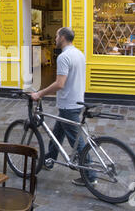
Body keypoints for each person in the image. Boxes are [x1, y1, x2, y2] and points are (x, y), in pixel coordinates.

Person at [31, 27, 96, 186]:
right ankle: (49, 160)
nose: (54, 38)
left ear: (63, 37)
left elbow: (60, 84)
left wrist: (40, 94)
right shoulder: (79, 53)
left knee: (77, 142)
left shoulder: (63, 57)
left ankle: (90, 175)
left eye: (56, 36)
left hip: (69, 104)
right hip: (75, 101)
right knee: (57, 133)